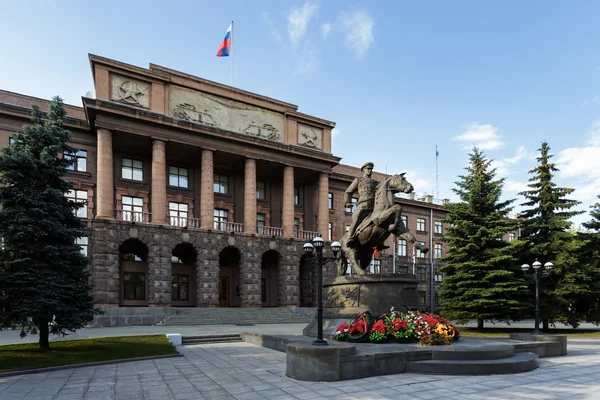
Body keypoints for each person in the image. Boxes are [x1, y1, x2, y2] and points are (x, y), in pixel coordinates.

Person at [344, 162, 379, 248]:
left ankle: (380, 242)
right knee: (356, 220)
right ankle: (349, 238)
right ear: (363, 170)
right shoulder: (358, 180)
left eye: (371, 169)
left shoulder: (375, 183)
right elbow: (348, 192)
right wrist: (347, 202)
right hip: (363, 205)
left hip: (374, 206)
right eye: (368, 169)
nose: (369, 171)